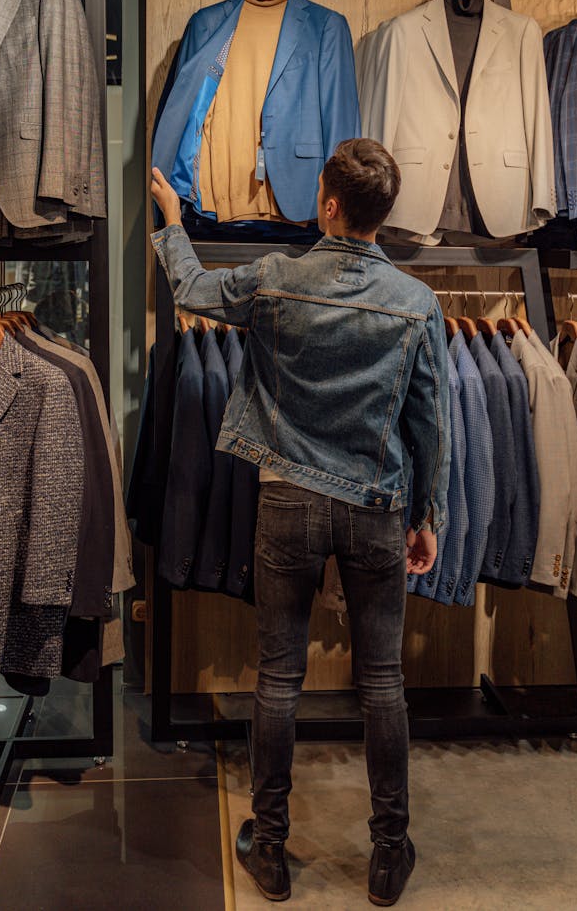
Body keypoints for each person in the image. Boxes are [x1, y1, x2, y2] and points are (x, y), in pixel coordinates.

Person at [150, 138, 450, 907]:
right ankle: (388, 855)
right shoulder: (416, 304)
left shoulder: (278, 280)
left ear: (327, 203)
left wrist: (171, 217)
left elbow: (190, 289)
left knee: (279, 678)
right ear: (381, 214)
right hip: (375, 505)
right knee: (383, 682)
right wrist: (429, 516)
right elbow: (430, 426)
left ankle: (272, 849)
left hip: (287, 496)